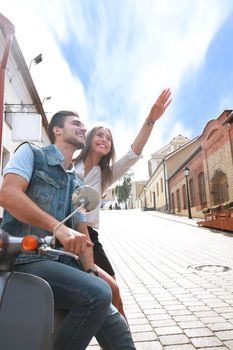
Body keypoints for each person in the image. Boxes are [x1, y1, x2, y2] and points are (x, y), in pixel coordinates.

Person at [0, 111, 136, 350]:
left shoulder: (77, 183)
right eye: (76, 124)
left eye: (84, 125)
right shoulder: (31, 153)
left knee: (117, 325)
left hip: (61, 262)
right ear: (57, 130)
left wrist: (90, 272)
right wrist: (59, 228)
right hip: (24, 257)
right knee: (98, 294)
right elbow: (8, 194)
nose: (83, 128)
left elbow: (83, 234)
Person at [75, 88, 172, 317]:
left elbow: (133, 153)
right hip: (63, 233)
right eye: (99, 135)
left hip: (90, 236)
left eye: (108, 138)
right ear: (89, 139)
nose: (104, 140)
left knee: (113, 291)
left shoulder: (105, 174)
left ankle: (123, 340)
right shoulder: (70, 165)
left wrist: (150, 120)